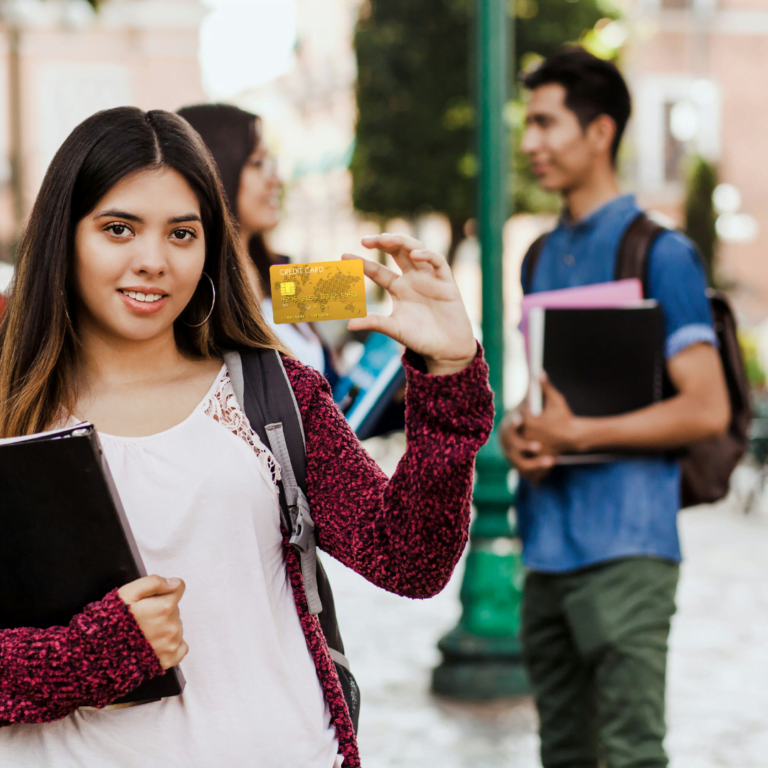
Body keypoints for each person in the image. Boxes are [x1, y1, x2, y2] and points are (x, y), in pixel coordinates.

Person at [0, 106, 492, 768]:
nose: (152, 261)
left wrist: (448, 378)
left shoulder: (275, 390)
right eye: (118, 229)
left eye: (182, 233)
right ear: (65, 235)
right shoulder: (12, 411)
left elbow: (410, 559)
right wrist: (84, 659)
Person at [500, 48, 730, 768]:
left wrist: (580, 433)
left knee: (631, 755)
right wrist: (520, 431)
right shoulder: (538, 254)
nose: (531, 142)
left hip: (629, 550)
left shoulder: (660, 252)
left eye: (546, 122)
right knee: (562, 753)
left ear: (600, 132)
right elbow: (542, 393)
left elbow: (708, 407)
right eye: (527, 124)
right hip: (546, 550)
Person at [177, 103, 332, 379]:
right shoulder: (192, 298)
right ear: (216, 171)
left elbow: (337, 375)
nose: (276, 180)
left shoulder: (286, 274)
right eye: (258, 163)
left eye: (272, 163)